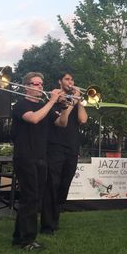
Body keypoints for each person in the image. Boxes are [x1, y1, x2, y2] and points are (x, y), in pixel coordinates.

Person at [11, 72, 67, 250]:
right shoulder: (20, 105)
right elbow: (33, 118)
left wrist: (67, 106)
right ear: (27, 86)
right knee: (30, 198)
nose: (41, 87)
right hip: (26, 156)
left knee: (34, 198)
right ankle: (27, 240)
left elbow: (61, 124)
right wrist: (51, 101)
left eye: (42, 84)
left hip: (41, 157)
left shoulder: (45, 106)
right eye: (36, 84)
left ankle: (19, 236)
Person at [41, 72, 88, 235]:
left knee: (63, 186)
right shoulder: (54, 97)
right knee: (52, 185)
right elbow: (62, 122)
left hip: (72, 148)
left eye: (72, 79)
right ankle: (47, 225)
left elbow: (83, 120)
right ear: (60, 81)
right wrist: (72, 102)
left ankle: (55, 219)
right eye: (67, 79)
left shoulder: (75, 101)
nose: (71, 82)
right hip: (55, 146)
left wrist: (79, 101)